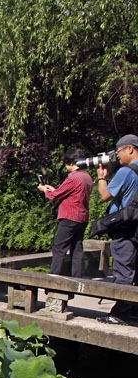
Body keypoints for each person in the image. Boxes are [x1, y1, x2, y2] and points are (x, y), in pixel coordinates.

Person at [95, 134, 138, 325]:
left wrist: (101, 178)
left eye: (119, 151)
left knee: (124, 272)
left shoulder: (126, 171)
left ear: (130, 149)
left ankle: (120, 314)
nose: (117, 156)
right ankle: (134, 312)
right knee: (135, 272)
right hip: (136, 228)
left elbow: (105, 195)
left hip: (125, 229)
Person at [38, 148, 93, 278]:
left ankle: (53, 278)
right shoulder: (87, 177)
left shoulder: (73, 177)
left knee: (59, 248)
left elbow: (54, 196)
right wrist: (54, 190)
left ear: (71, 163)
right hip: (82, 217)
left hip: (70, 217)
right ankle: (77, 278)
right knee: (77, 248)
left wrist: (45, 190)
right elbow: (70, 193)